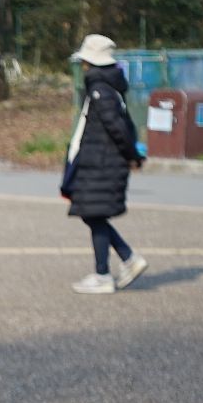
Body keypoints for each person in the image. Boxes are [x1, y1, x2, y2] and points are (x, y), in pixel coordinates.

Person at [62, 33, 148, 294]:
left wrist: (132, 155)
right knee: (92, 214)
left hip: (101, 163)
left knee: (93, 214)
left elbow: (116, 127)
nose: (83, 66)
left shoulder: (100, 89)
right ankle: (124, 261)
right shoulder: (109, 87)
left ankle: (107, 272)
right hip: (101, 162)